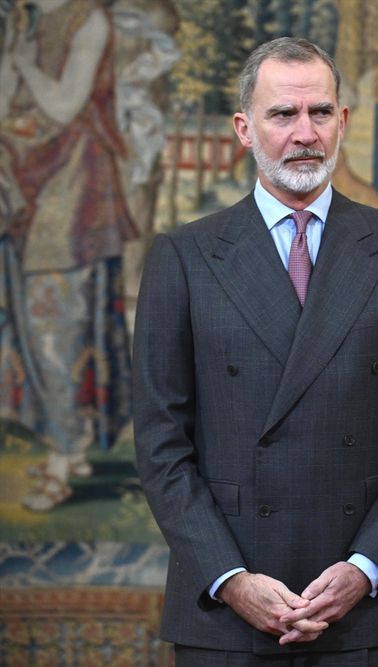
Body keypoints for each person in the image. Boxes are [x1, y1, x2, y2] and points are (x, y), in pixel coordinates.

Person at [132, 37, 378, 665]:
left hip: (360, 607)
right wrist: (230, 578)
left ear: (343, 122)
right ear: (245, 129)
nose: (305, 133)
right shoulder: (185, 256)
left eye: (321, 113)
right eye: (283, 115)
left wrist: (365, 567)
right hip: (225, 609)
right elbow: (161, 443)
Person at [0, 0, 135, 511]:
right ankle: (70, 445)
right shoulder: (31, 19)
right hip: (31, 183)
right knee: (35, 325)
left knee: (58, 325)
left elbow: (62, 105)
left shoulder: (89, 21)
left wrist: (22, 62)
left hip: (75, 191)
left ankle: (62, 461)